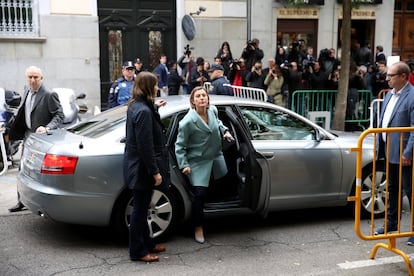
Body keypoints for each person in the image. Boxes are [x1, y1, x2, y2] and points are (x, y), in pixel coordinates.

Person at [175, 87, 234, 244]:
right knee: (199, 195)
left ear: (208, 99)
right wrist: (184, 164)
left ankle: (218, 216)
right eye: (198, 96)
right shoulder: (187, 122)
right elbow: (179, 146)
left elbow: (219, 123)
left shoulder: (213, 110)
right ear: (193, 101)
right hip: (198, 162)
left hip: (215, 157)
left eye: (204, 95)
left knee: (224, 184)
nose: (202, 98)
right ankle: (198, 226)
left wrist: (225, 131)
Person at [124, 72, 169, 262]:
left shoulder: (137, 105)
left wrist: (155, 107)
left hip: (135, 166)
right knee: (140, 212)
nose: (158, 87)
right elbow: (145, 146)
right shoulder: (142, 111)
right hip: (141, 168)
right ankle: (138, 251)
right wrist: (155, 172)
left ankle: (148, 244)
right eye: (155, 84)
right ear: (149, 86)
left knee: (142, 209)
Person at [8, 65, 64, 212]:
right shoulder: (27, 90)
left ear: (41, 78)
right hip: (28, 136)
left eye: (36, 77)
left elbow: (59, 115)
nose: (32, 80)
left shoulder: (49, 94)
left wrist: (47, 128)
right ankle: (21, 201)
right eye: (30, 77)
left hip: (41, 140)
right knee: (22, 169)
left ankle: (41, 203)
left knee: (37, 172)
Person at [374, 62, 414, 246]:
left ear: (403, 76)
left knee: (410, 191)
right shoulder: (389, 94)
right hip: (390, 151)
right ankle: (391, 223)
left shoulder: (412, 95)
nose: (387, 78)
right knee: (392, 189)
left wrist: (408, 153)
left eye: (391, 75)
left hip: (405, 155)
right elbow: (384, 122)